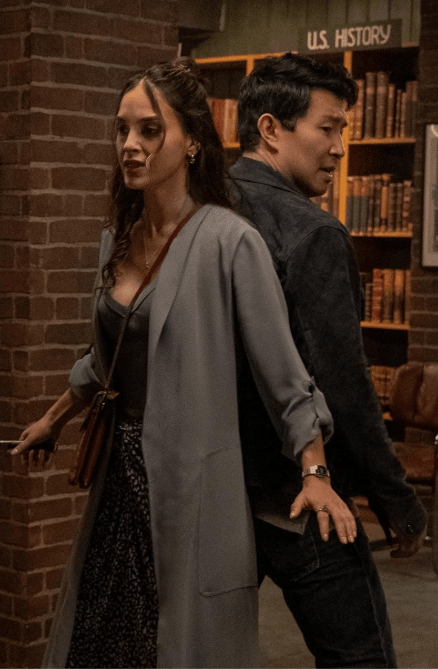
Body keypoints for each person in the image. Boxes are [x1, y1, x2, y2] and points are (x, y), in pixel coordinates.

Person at [11, 57, 357, 669]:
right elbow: (105, 360)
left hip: (192, 480)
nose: (131, 145)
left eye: (150, 130)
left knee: (176, 642)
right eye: (123, 130)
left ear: (192, 141)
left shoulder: (230, 242)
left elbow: (284, 378)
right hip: (121, 478)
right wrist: (53, 419)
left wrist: (316, 472)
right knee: (103, 639)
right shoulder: (117, 239)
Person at [230, 51, 428, 668]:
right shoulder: (312, 232)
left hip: (219, 490)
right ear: (271, 128)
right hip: (301, 497)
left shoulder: (202, 214)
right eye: (328, 127)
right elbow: (343, 386)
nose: (340, 147)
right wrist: (396, 503)